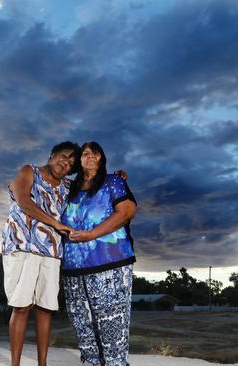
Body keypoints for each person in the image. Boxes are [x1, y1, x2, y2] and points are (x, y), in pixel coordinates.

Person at [1, 141, 77, 366]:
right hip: (23, 245)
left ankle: (42, 364)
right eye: (64, 156)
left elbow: (93, 183)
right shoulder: (29, 171)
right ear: (52, 155)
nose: (66, 163)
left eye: (72, 163)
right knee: (22, 306)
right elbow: (24, 201)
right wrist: (55, 223)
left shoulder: (67, 186)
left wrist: (116, 176)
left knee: (45, 309)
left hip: (52, 252)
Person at [61, 141, 137, 366]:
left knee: (112, 327)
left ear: (102, 158)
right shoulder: (68, 189)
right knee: (82, 325)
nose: (90, 156)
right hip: (73, 270)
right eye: (85, 153)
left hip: (110, 264)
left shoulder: (112, 182)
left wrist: (91, 234)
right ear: (79, 160)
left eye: (95, 153)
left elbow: (126, 212)